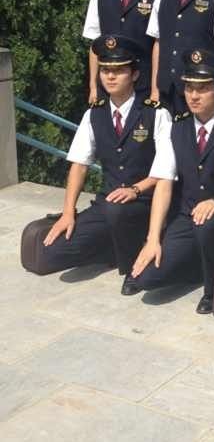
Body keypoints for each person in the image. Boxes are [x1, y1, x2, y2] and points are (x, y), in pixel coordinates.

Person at [130, 49, 214, 314]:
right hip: (187, 218)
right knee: (146, 280)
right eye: (189, 88)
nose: (193, 95)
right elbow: (164, 183)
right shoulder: (176, 128)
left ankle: (212, 289)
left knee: (208, 228)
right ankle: (196, 264)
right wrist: (153, 239)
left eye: (202, 89)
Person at [37, 35, 172, 293]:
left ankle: (132, 262)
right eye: (105, 70)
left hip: (145, 201)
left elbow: (166, 171)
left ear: (134, 74)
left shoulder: (155, 113)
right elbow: (79, 165)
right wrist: (68, 213)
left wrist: (135, 189)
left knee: (118, 212)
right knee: (52, 254)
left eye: (118, 70)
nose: (110, 76)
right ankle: (112, 245)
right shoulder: (94, 114)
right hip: (107, 203)